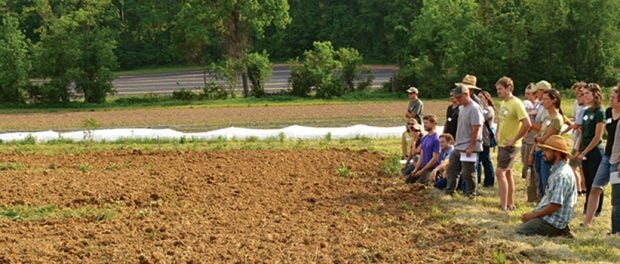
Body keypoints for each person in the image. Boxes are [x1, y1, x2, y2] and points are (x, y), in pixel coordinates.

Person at [516, 135, 577, 237]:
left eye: (547, 150)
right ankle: (562, 232)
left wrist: (534, 215)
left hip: (552, 222)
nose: (543, 153)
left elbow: (555, 205)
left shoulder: (561, 175)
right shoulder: (557, 170)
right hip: (550, 219)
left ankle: (558, 232)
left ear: (557, 153)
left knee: (519, 233)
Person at [582, 86, 620, 228]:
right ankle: (587, 222)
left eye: (613, 97)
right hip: (607, 156)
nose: (610, 99)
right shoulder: (609, 112)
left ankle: (616, 229)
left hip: (618, 159)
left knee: (616, 197)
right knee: (595, 188)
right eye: (610, 96)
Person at [495, 77, 531, 211]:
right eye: (497, 89)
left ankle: (503, 205)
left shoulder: (516, 103)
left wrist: (514, 139)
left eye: (500, 89)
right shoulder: (504, 103)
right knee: (508, 172)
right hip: (502, 143)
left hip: (510, 145)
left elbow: (527, 124)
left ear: (509, 88)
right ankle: (510, 203)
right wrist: (497, 132)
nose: (498, 92)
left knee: (500, 172)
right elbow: (501, 120)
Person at [444, 84, 483, 198]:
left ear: (466, 94)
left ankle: (471, 193)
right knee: (452, 169)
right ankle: (450, 191)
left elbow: (476, 128)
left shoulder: (474, 108)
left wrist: (471, 146)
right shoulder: (462, 108)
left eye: (459, 97)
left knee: (468, 172)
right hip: (459, 144)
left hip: (469, 145)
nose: (457, 100)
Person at [575, 83, 605, 217]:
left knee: (595, 181)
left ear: (595, 95)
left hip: (594, 152)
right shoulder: (586, 111)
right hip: (584, 150)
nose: (585, 96)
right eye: (584, 93)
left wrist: (585, 151)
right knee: (587, 180)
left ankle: (597, 209)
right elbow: (582, 132)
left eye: (587, 93)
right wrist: (578, 148)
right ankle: (588, 206)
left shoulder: (600, 112)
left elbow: (597, 136)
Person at [529, 88, 564, 199]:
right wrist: (532, 152)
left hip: (548, 154)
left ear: (554, 100)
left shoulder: (556, 119)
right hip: (539, 152)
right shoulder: (547, 117)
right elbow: (540, 135)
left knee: (546, 183)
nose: (542, 102)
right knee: (540, 181)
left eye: (545, 99)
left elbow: (545, 139)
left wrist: (537, 138)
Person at [565, 82, 588, 195]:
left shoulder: (587, 109)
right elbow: (575, 121)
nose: (578, 96)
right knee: (578, 165)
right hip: (576, 138)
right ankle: (582, 187)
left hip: (581, 141)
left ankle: (580, 188)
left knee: (575, 165)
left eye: (581, 94)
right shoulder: (576, 104)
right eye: (577, 94)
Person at [408, 115, 441, 184]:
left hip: (431, 168)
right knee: (409, 181)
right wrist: (416, 169)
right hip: (423, 167)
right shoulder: (425, 138)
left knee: (418, 184)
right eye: (424, 123)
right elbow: (422, 155)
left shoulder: (436, 139)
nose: (424, 125)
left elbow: (434, 159)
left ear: (433, 124)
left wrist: (422, 171)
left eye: (426, 123)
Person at [522, 83, 539, 202]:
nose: (527, 96)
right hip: (527, 140)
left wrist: (528, 121)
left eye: (529, 93)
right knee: (527, 168)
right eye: (526, 93)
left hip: (535, 141)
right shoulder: (528, 106)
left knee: (534, 170)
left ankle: (537, 196)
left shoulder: (539, 107)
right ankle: (531, 196)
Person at [477, 91, 495, 187]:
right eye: (478, 97)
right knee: (478, 161)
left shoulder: (488, 109)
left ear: (486, 98)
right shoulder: (481, 109)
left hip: (485, 139)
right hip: (479, 139)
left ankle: (489, 181)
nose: (479, 99)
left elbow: (481, 118)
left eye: (481, 97)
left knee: (486, 160)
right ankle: (478, 179)